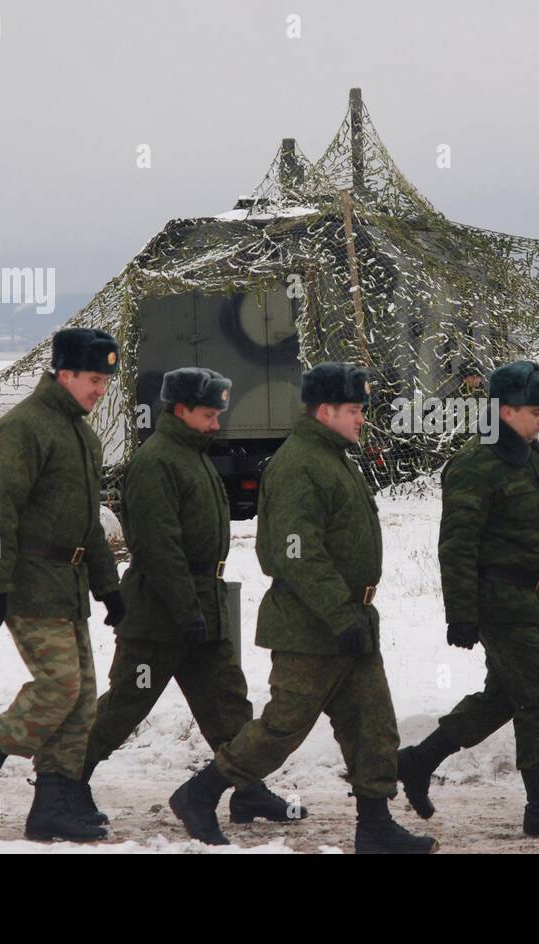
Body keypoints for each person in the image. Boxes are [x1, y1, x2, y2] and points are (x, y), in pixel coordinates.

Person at [167, 362, 437, 853]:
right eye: (354, 410)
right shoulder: (299, 464)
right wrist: (339, 614)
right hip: (310, 627)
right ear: (327, 410)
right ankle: (200, 794)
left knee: (373, 725)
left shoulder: (333, 455)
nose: (361, 419)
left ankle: (374, 826)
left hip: (350, 622)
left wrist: (351, 617)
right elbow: (295, 553)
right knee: (282, 728)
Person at [82, 367, 301, 827]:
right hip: (159, 617)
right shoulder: (157, 463)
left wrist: (200, 609)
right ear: (180, 411)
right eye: (208, 414)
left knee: (228, 703)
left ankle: (248, 790)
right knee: (127, 704)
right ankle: (63, 782)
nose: (217, 424)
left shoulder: (193, 454)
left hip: (202, 605)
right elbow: (158, 548)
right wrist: (185, 611)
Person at [0, 327, 124, 842]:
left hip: (67, 585)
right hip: (29, 581)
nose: (100, 390)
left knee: (83, 698)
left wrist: (109, 590)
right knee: (59, 686)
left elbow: (88, 523)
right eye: (94, 379)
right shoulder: (24, 427)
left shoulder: (82, 435)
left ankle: (53, 803)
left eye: (106, 381)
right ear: (64, 374)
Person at [398, 360, 539, 838]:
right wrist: (461, 615)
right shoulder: (475, 465)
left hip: (527, 601)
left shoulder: (529, 458)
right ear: (505, 412)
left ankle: (418, 761)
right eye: (537, 410)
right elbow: (456, 546)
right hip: (498, 605)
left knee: (502, 698)